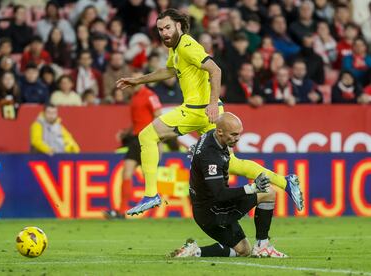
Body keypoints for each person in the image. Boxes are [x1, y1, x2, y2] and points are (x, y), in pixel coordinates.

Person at [116, 9, 304, 216]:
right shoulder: (176, 49)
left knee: (147, 135)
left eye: (167, 27)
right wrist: (137, 80)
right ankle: (285, 182)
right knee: (232, 163)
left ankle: (151, 194)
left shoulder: (187, 46)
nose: (164, 33)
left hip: (198, 110)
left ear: (179, 25)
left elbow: (215, 70)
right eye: (160, 29)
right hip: (207, 111)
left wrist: (212, 103)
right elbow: (169, 71)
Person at [170, 113, 294, 258]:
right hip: (214, 210)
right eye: (234, 134)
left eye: (239, 134)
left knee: (244, 250)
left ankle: (194, 251)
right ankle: (262, 245)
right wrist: (252, 188)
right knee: (268, 192)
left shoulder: (212, 135)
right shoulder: (211, 157)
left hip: (204, 212)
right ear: (220, 132)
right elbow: (220, 194)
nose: (237, 138)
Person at [105, 71, 162, 219]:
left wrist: (158, 139)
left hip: (148, 140)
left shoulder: (150, 95)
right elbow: (138, 120)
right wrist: (126, 133)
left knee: (148, 174)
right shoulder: (134, 97)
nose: (135, 81)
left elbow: (158, 114)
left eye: (138, 78)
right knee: (126, 172)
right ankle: (121, 210)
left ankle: (161, 203)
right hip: (135, 139)